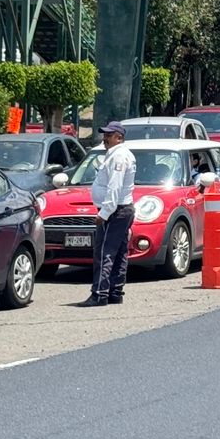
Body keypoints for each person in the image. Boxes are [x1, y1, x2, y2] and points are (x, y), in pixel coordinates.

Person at [83, 121, 136, 307]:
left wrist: (104, 213)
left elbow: (115, 186)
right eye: (105, 135)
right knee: (119, 252)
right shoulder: (115, 155)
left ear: (119, 137)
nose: (105, 138)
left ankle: (99, 294)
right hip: (121, 209)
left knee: (105, 252)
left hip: (116, 210)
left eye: (109, 135)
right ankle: (115, 292)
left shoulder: (118, 157)